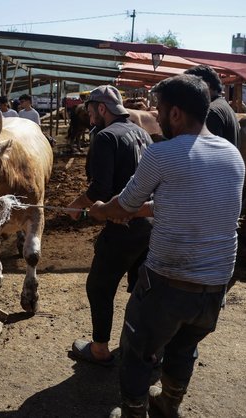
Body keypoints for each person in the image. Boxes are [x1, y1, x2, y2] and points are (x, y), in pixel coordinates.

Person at [88, 74, 245, 417]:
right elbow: (190, 202)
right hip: (215, 286)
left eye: (159, 109)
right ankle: (168, 404)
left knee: (136, 350)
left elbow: (123, 205)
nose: (155, 117)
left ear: (175, 113)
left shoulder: (162, 154)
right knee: (184, 347)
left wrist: (102, 210)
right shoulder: (233, 156)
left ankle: (133, 411)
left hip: (168, 283)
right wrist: (140, 209)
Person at [66, 85, 153, 368]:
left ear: (102, 109)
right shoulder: (141, 133)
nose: (89, 116)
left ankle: (100, 349)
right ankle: (144, 348)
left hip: (122, 223)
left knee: (99, 286)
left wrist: (76, 204)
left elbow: (100, 188)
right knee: (141, 288)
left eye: (91, 111)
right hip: (147, 223)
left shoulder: (105, 137)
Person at [184, 64, 240, 147]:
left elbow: (208, 150)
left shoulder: (211, 111)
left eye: (191, 87)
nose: (188, 93)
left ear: (206, 85)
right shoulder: (224, 106)